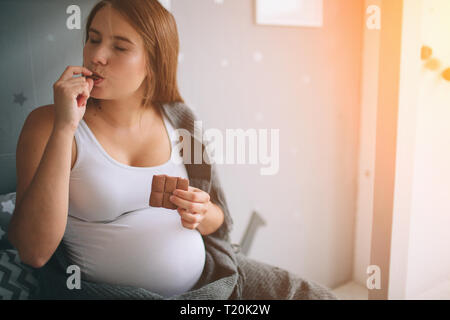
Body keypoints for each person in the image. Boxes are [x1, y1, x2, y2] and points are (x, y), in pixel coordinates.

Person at [8, 0, 338, 300]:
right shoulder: (49, 124)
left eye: (120, 46)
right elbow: (32, 251)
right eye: (93, 38)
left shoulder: (180, 120)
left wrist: (201, 211)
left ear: (153, 62)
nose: (97, 55)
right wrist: (66, 127)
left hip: (212, 282)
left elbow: (218, 221)